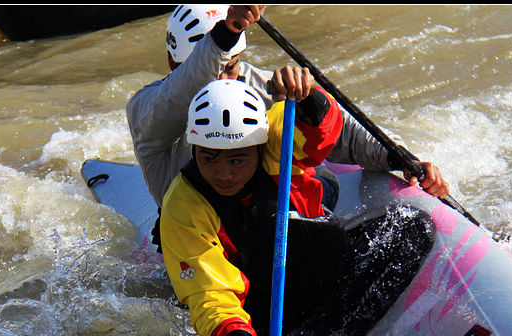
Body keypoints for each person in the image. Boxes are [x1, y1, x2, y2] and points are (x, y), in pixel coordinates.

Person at [126, 4, 450, 217]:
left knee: (323, 179)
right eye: (214, 72)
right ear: (174, 66)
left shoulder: (257, 82)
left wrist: (400, 158)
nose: (225, 83)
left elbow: (345, 134)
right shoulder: (146, 110)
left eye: (232, 67)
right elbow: (177, 95)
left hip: (260, 220)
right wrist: (225, 34)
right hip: (196, 232)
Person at [160, 77, 349, 336]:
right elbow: (211, 298)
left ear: (259, 147)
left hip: (310, 248)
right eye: (209, 158)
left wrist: (306, 95)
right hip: (257, 296)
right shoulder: (182, 206)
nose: (223, 174)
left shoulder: (277, 135)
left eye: (236, 159)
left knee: (306, 228)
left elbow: (322, 132)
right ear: (194, 150)